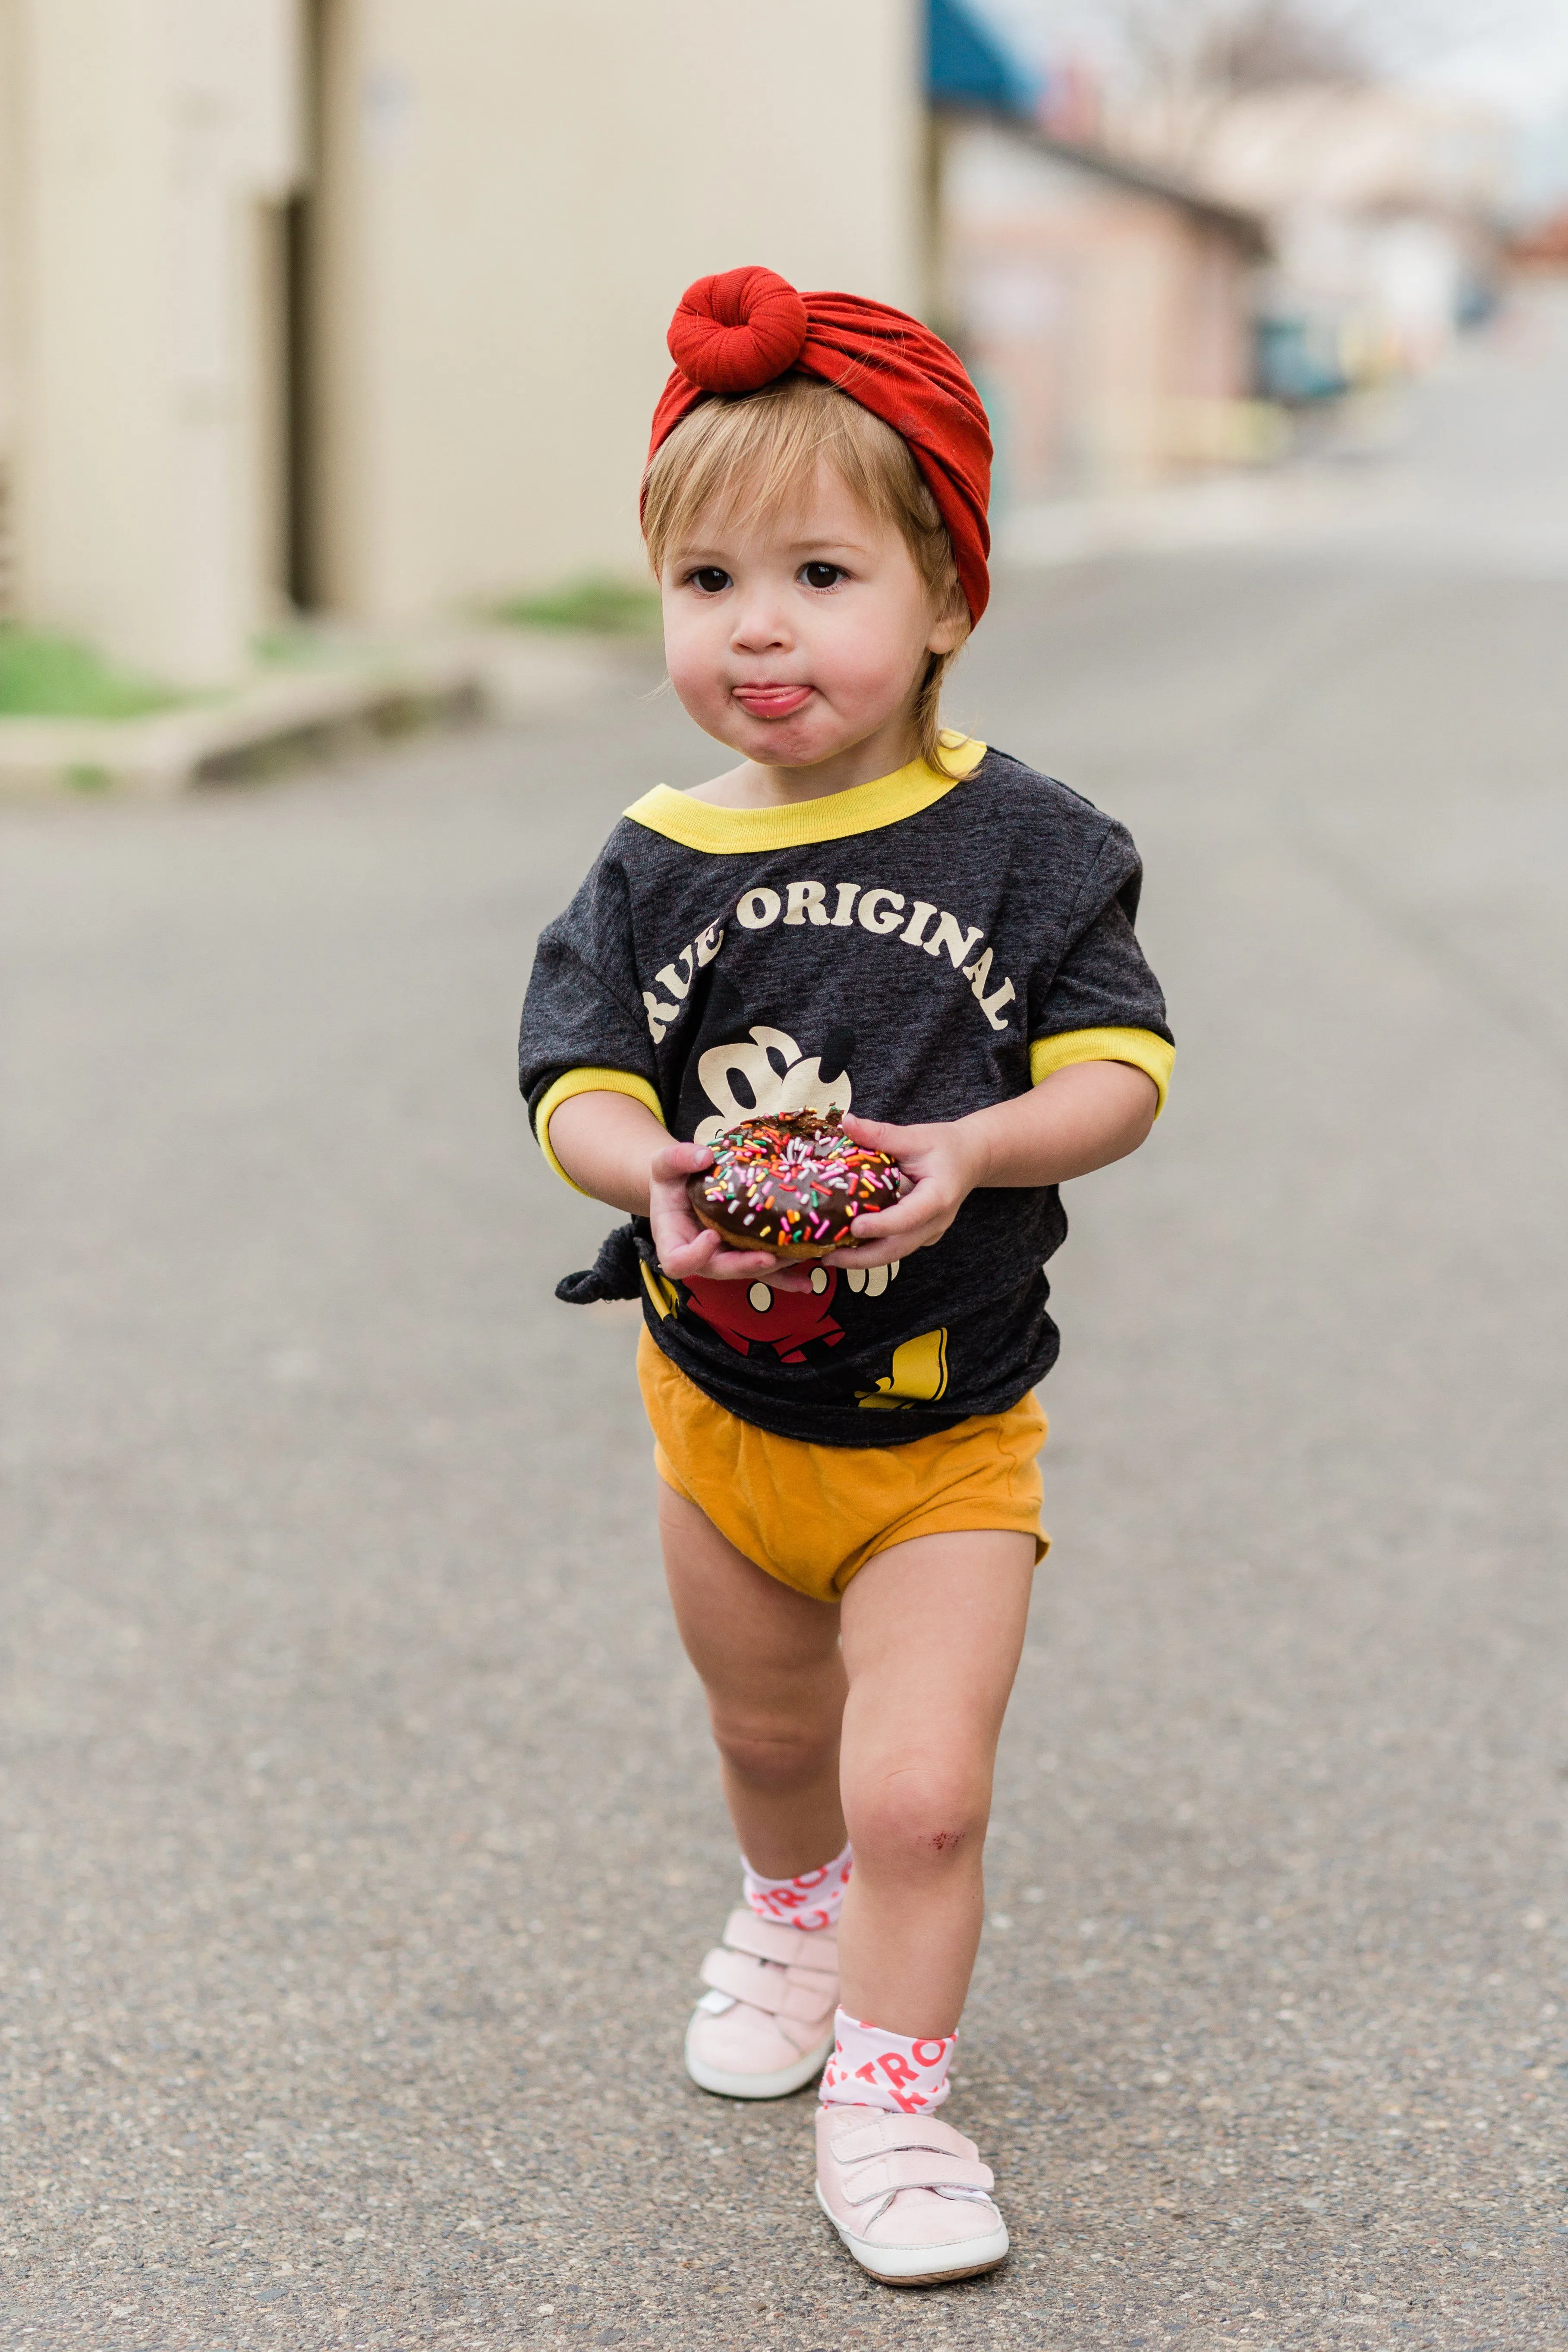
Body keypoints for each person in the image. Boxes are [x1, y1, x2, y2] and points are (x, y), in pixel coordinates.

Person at [518, 265, 1173, 2285]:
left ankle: (886, 2108)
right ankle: (784, 1914)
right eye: (707, 580)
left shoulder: (1034, 849)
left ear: (946, 598)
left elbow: (1119, 1073)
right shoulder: (647, 860)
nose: (760, 627)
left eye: (818, 570)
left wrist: (968, 1147)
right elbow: (573, 1077)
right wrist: (653, 1179)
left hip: (942, 1426)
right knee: (775, 1743)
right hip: (716, 1403)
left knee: (919, 1795)